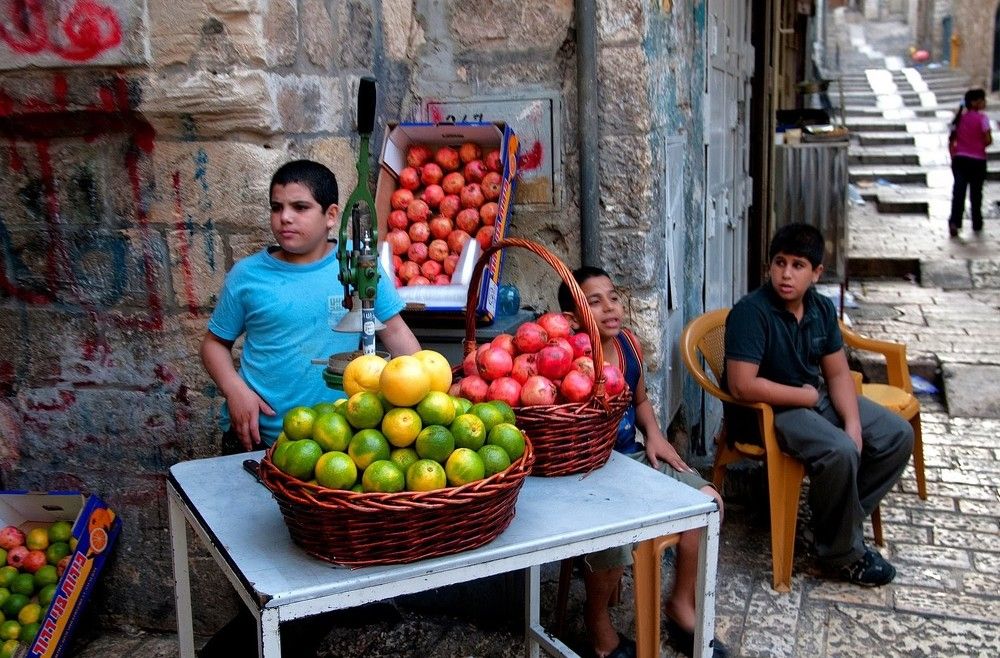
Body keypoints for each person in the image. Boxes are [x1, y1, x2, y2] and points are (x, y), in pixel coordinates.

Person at [724, 223, 913, 587]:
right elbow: (742, 385)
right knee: (840, 451)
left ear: (816, 273)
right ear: (769, 266)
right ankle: (842, 554)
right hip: (768, 412)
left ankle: (835, 525)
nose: (786, 274)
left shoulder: (820, 309)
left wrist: (854, 423)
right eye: (780, 263)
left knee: (896, 435)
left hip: (812, 400)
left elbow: (839, 374)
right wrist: (806, 397)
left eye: (798, 265)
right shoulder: (752, 312)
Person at [558, 267, 727, 658]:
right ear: (571, 317)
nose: (609, 308)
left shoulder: (629, 346)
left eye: (613, 298)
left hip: (632, 457)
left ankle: (681, 606)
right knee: (615, 540)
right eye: (594, 302)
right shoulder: (572, 360)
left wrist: (654, 434)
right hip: (589, 470)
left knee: (706, 502)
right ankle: (597, 622)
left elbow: (640, 400)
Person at [201, 159, 420, 453]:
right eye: (276, 208)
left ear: (331, 215)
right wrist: (235, 390)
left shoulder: (358, 266)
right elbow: (214, 344)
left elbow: (394, 331)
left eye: (300, 207)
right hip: (258, 436)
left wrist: (425, 390)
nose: (285, 218)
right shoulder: (247, 275)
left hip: (339, 437)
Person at [948, 88, 992, 237]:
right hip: (978, 161)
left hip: (960, 160)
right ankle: (976, 222)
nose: (985, 102)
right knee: (976, 193)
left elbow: (951, 140)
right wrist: (978, 146)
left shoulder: (959, 118)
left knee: (958, 193)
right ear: (975, 102)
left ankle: (955, 222)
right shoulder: (983, 119)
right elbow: (987, 140)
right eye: (982, 100)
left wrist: (954, 156)